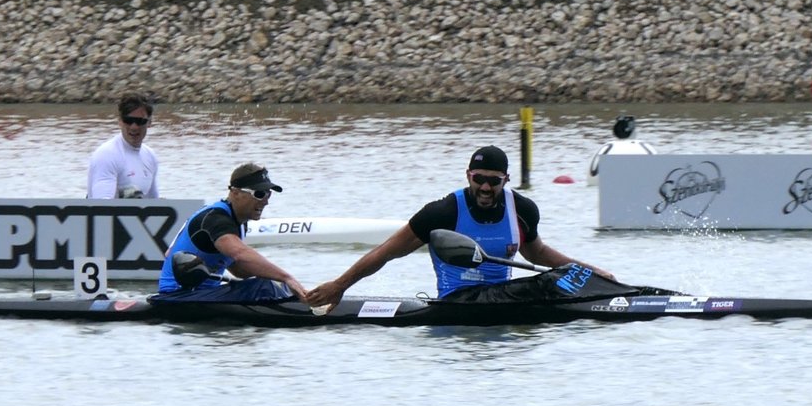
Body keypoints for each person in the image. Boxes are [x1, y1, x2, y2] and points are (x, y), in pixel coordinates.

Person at [306, 145, 613, 307]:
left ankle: (608, 296)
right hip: (459, 301)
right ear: (468, 176)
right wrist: (339, 286)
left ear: (505, 180)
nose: (485, 187)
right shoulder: (442, 212)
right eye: (478, 178)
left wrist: (591, 272)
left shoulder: (522, 210)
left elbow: (539, 255)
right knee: (548, 284)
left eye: (493, 181)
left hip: (507, 297)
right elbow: (386, 252)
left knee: (557, 278)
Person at [156, 163, 308, 301]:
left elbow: (239, 270)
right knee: (264, 287)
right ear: (235, 193)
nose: (266, 201)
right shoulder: (215, 219)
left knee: (274, 283)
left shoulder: (239, 222)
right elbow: (240, 253)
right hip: (178, 296)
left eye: (268, 194)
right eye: (259, 194)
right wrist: (286, 277)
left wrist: (280, 281)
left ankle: (305, 299)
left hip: (203, 294)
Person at [87, 93, 160, 199]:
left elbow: (155, 203)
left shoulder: (150, 156)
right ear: (120, 121)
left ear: (149, 122)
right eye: (128, 121)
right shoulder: (107, 155)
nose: (134, 127)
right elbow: (101, 207)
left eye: (140, 121)